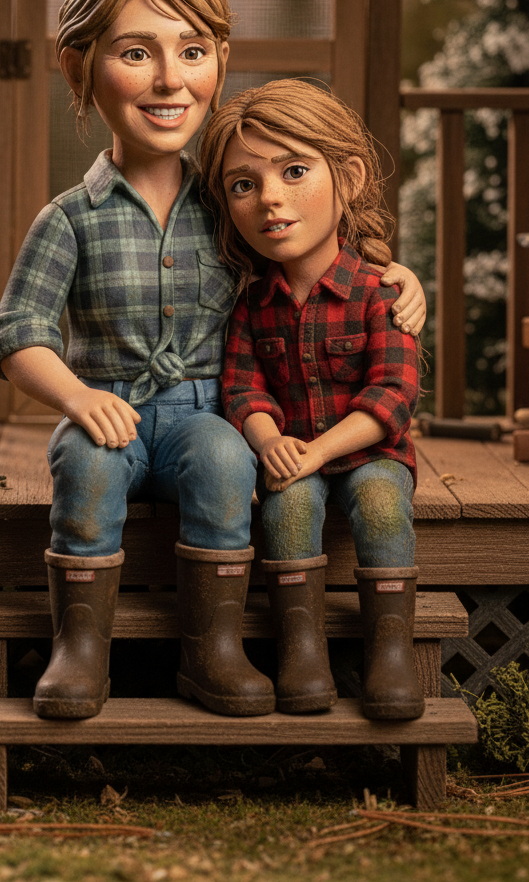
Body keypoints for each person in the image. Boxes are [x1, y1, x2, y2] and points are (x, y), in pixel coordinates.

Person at [0, 0, 426, 722]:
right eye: (134, 53)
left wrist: (394, 274)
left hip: (208, 413)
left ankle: (211, 650)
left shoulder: (231, 204)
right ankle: (80, 650)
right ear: (78, 65)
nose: (167, 80)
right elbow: (17, 333)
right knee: (84, 470)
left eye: (191, 52)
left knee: (227, 467)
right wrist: (78, 398)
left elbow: (312, 254)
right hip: (109, 404)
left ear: (220, 61)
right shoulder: (70, 218)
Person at [197, 79, 424, 721]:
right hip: (293, 458)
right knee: (287, 508)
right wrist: (269, 442)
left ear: (347, 178)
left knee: (382, 504)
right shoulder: (251, 304)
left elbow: (393, 396)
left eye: (294, 171)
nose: (270, 198)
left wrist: (317, 449)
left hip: (367, 455)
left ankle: (391, 654)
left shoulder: (380, 293)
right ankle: (302, 652)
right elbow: (241, 386)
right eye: (244, 185)